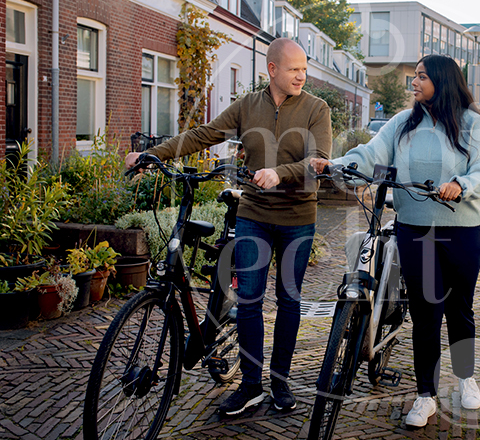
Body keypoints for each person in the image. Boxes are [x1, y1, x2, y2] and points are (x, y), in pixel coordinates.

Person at [125, 38, 331, 416]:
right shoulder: (249, 105)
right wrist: (153, 154)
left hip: (297, 220)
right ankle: (251, 386)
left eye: (304, 68)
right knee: (250, 300)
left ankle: (280, 382)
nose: (301, 75)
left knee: (288, 300)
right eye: (293, 68)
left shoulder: (317, 109)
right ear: (272, 70)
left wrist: (279, 172)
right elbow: (203, 134)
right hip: (254, 214)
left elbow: (318, 162)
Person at [311, 54, 480, 428]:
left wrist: (461, 185)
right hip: (416, 229)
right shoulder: (402, 123)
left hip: (462, 231)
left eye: (422, 77)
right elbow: (371, 154)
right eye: (414, 76)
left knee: (459, 310)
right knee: (426, 313)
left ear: (442, 82)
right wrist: (339, 165)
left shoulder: (471, 124)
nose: (414, 83)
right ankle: (425, 394)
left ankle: (465, 377)